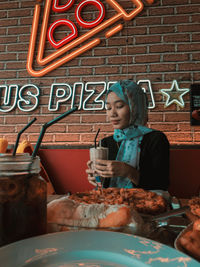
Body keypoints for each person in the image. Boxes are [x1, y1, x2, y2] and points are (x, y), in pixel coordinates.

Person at [86, 80, 170, 190]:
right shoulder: (104, 143)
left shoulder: (156, 139)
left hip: (145, 203)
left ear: (135, 107)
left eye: (119, 106)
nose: (112, 114)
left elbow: (161, 185)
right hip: (110, 203)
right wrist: (96, 179)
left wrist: (129, 172)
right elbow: (104, 186)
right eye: (108, 108)